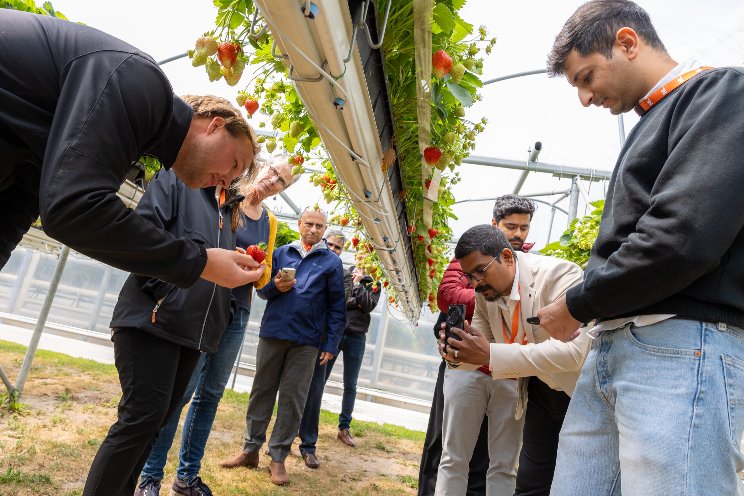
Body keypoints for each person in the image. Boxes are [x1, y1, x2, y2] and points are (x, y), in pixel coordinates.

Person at [538, 1, 744, 494]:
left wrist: (577, 303)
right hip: (617, 342)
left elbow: (682, 236)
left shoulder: (721, 93)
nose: (586, 98)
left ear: (627, 43)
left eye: (586, 77)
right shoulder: (653, 119)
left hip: (681, 343)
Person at [0, 10, 257, 289]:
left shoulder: (126, 137)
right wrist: (200, 262)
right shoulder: (141, 83)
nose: (227, 182)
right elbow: (73, 208)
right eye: (234, 164)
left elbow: (20, 203)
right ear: (215, 126)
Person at [83, 139, 266, 496]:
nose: (232, 174)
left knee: (152, 425)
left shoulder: (228, 212)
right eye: (232, 162)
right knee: (138, 421)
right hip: (154, 320)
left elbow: (212, 271)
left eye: (241, 169)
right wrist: (172, 288)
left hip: (193, 335)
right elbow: (144, 240)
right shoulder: (177, 181)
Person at [134, 158, 298, 496]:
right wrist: (228, 253)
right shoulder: (229, 195)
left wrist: (260, 268)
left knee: (210, 395)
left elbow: (263, 273)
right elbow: (207, 241)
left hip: (237, 310)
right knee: (182, 391)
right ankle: (150, 476)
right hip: (205, 301)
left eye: (281, 181)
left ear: (282, 190)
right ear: (262, 167)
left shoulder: (268, 221)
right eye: (273, 172)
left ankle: (187, 477)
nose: (273, 180)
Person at [437, 225, 586, 496]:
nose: (476, 283)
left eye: (481, 271)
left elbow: (575, 353)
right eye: (469, 276)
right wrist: (456, 354)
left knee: (575, 480)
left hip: (580, 394)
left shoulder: (561, 275)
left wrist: (488, 354)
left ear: (507, 256)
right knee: (530, 483)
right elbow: (482, 349)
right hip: (539, 390)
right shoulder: (486, 295)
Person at [418, 194, 537, 496]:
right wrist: (500, 291)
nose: (518, 234)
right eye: (511, 226)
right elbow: (447, 295)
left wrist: (500, 288)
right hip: (467, 365)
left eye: (524, 227)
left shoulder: (533, 263)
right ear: (494, 224)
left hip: (510, 370)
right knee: (449, 451)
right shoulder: (471, 255)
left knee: (498, 460)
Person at [220, 207, 346, 486]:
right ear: (300, 224)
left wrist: (331, 343)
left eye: (320, 226)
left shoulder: (331, 262)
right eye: (309, 224)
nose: (314, 229)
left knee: (293, 398)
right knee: (261, 391)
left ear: (325, 230)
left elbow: (338, 307)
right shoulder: (281, 253)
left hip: (307, 341)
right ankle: (250, 449)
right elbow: (262, 290)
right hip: (274, 332)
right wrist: (276, 286)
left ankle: (277, 457)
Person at [298, 245, 380, 469]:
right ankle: (302, 422)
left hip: (356, 337)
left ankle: (344, 427)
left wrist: (358, 285)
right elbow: (340, 302)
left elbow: (368, 305)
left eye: (369, 257)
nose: (364, 259)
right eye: (362, 254)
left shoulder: (373, 281)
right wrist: (354, 292)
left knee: (350, 384)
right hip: (336, 334)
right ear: (358, 255)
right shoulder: (343, 272)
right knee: (318, 380)